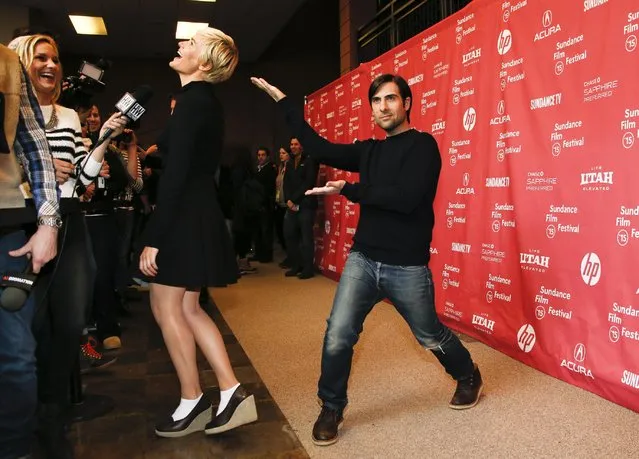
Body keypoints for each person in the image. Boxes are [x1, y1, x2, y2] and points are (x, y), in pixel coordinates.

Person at [252, 73, 483, 445]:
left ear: (406, 103)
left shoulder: (423, 146)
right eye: (377, 101)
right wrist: (283, 102)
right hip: (364, 259)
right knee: (338, 334)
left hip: (406, 264)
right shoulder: (369, 151)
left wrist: (351, 190)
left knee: (429, 335)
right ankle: (331, 406)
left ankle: (468, 374)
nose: (383, 107)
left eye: (391, 99)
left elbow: (406, 198)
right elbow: (319, 146)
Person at [8, 33, 126, 458]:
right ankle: (24, 421)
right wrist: (34, 168)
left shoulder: (69, 116)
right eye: (40, 57)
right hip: (25, 225)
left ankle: (51, 419)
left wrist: (104, 140)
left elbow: (85, 176)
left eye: (55, 58)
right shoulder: (9, 114)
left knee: (70, 322)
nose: (50, 65)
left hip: (71, 222)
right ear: (21, 62)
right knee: (28, 328)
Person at [139, 27, 257, 438]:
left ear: (204, 62)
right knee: (187, 308)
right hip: (194, 212)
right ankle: (229, 391)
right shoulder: (201, 102)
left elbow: (179, 173)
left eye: (190, 44)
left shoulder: (192, 103)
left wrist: (154, 234)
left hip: (184, 215)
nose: (180, 46)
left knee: (166, 306)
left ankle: (194, 398)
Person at [0, 44, 60, 459]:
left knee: (15, 355)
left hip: (7, 229)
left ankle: (17, 447)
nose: (49, 65)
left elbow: (36, 152)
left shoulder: (7, 63)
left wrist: (48, 223)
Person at [282, 137, 319, 279]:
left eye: (296, 144)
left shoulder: (310, 160)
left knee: (306, 239)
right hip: (291, 206)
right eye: (291, 144)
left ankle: (308, 269)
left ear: (302, 145)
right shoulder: (289, 162)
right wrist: (288, 201)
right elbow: (286, 183)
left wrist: (294, 199)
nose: (293, 147)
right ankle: (296, 266)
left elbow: (308, 183)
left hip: (306, 205)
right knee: (290, 236)